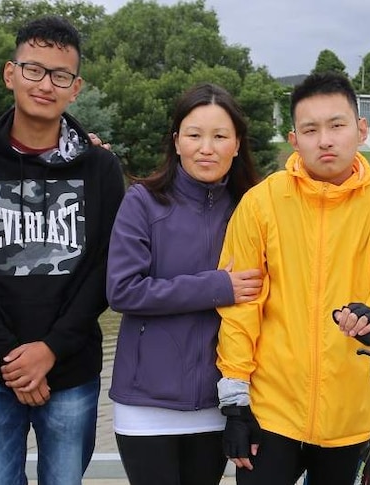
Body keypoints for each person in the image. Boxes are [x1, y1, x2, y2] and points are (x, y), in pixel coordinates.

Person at [215, 71, 370, 485]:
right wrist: (235, 402)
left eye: (337, 125)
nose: (324, 140)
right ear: (294, 140)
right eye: (310, 129)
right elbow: (241, 308)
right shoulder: (261, 203)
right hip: (271, 411)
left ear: (361, 130)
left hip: (348, 415)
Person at [0, 16, 125, 485]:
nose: (45, 84)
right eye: (33, 70)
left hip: (71, 370)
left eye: (60, 75)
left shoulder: (102, 168)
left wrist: (50, 349)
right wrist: (12, 356)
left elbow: (107, 267)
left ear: (76, 87)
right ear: (10, 74)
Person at [105, 83, 263, 485]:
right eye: (194, 135)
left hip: (220, 401)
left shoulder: (254, 208)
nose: (206, 148)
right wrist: (217, 287)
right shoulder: (142, 201)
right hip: (146, 402)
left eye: (220, 136)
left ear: (237, 144)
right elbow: (123, 290)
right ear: (176, 142)